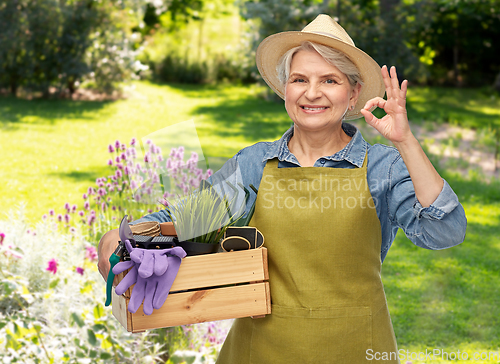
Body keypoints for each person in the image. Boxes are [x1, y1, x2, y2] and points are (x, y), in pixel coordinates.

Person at [98, 14, 467, 363]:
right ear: (285, 89)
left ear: (353, 94)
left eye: (329, 80)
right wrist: (119, 239)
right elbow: (185, 221)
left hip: (356, 348)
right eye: (300, 79)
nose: (312, 93)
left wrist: (406, 143)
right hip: (261, 351)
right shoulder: (255, 166)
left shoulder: (383, 169)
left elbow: (444, 231)